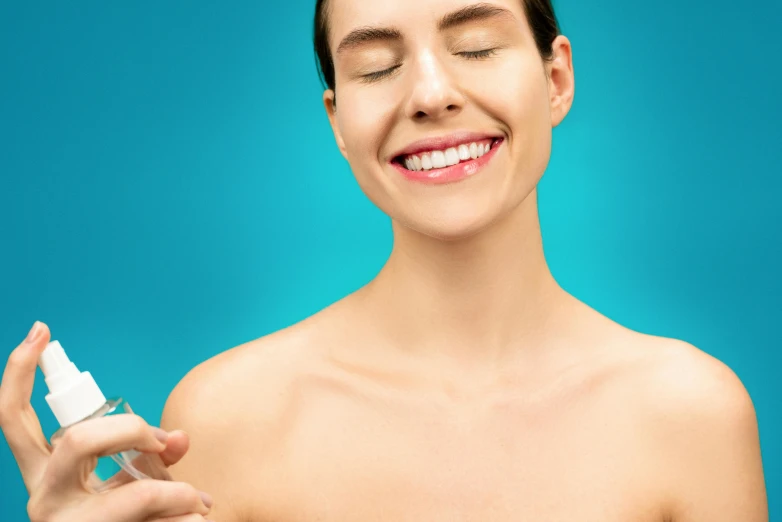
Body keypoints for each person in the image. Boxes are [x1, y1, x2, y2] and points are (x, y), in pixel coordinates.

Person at [1, 0, 769, 520]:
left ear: (556, 78)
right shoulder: (230, 416)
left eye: (474, 45)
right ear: (338, 119)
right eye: (375, 67)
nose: (431, 93)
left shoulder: (691, 413)